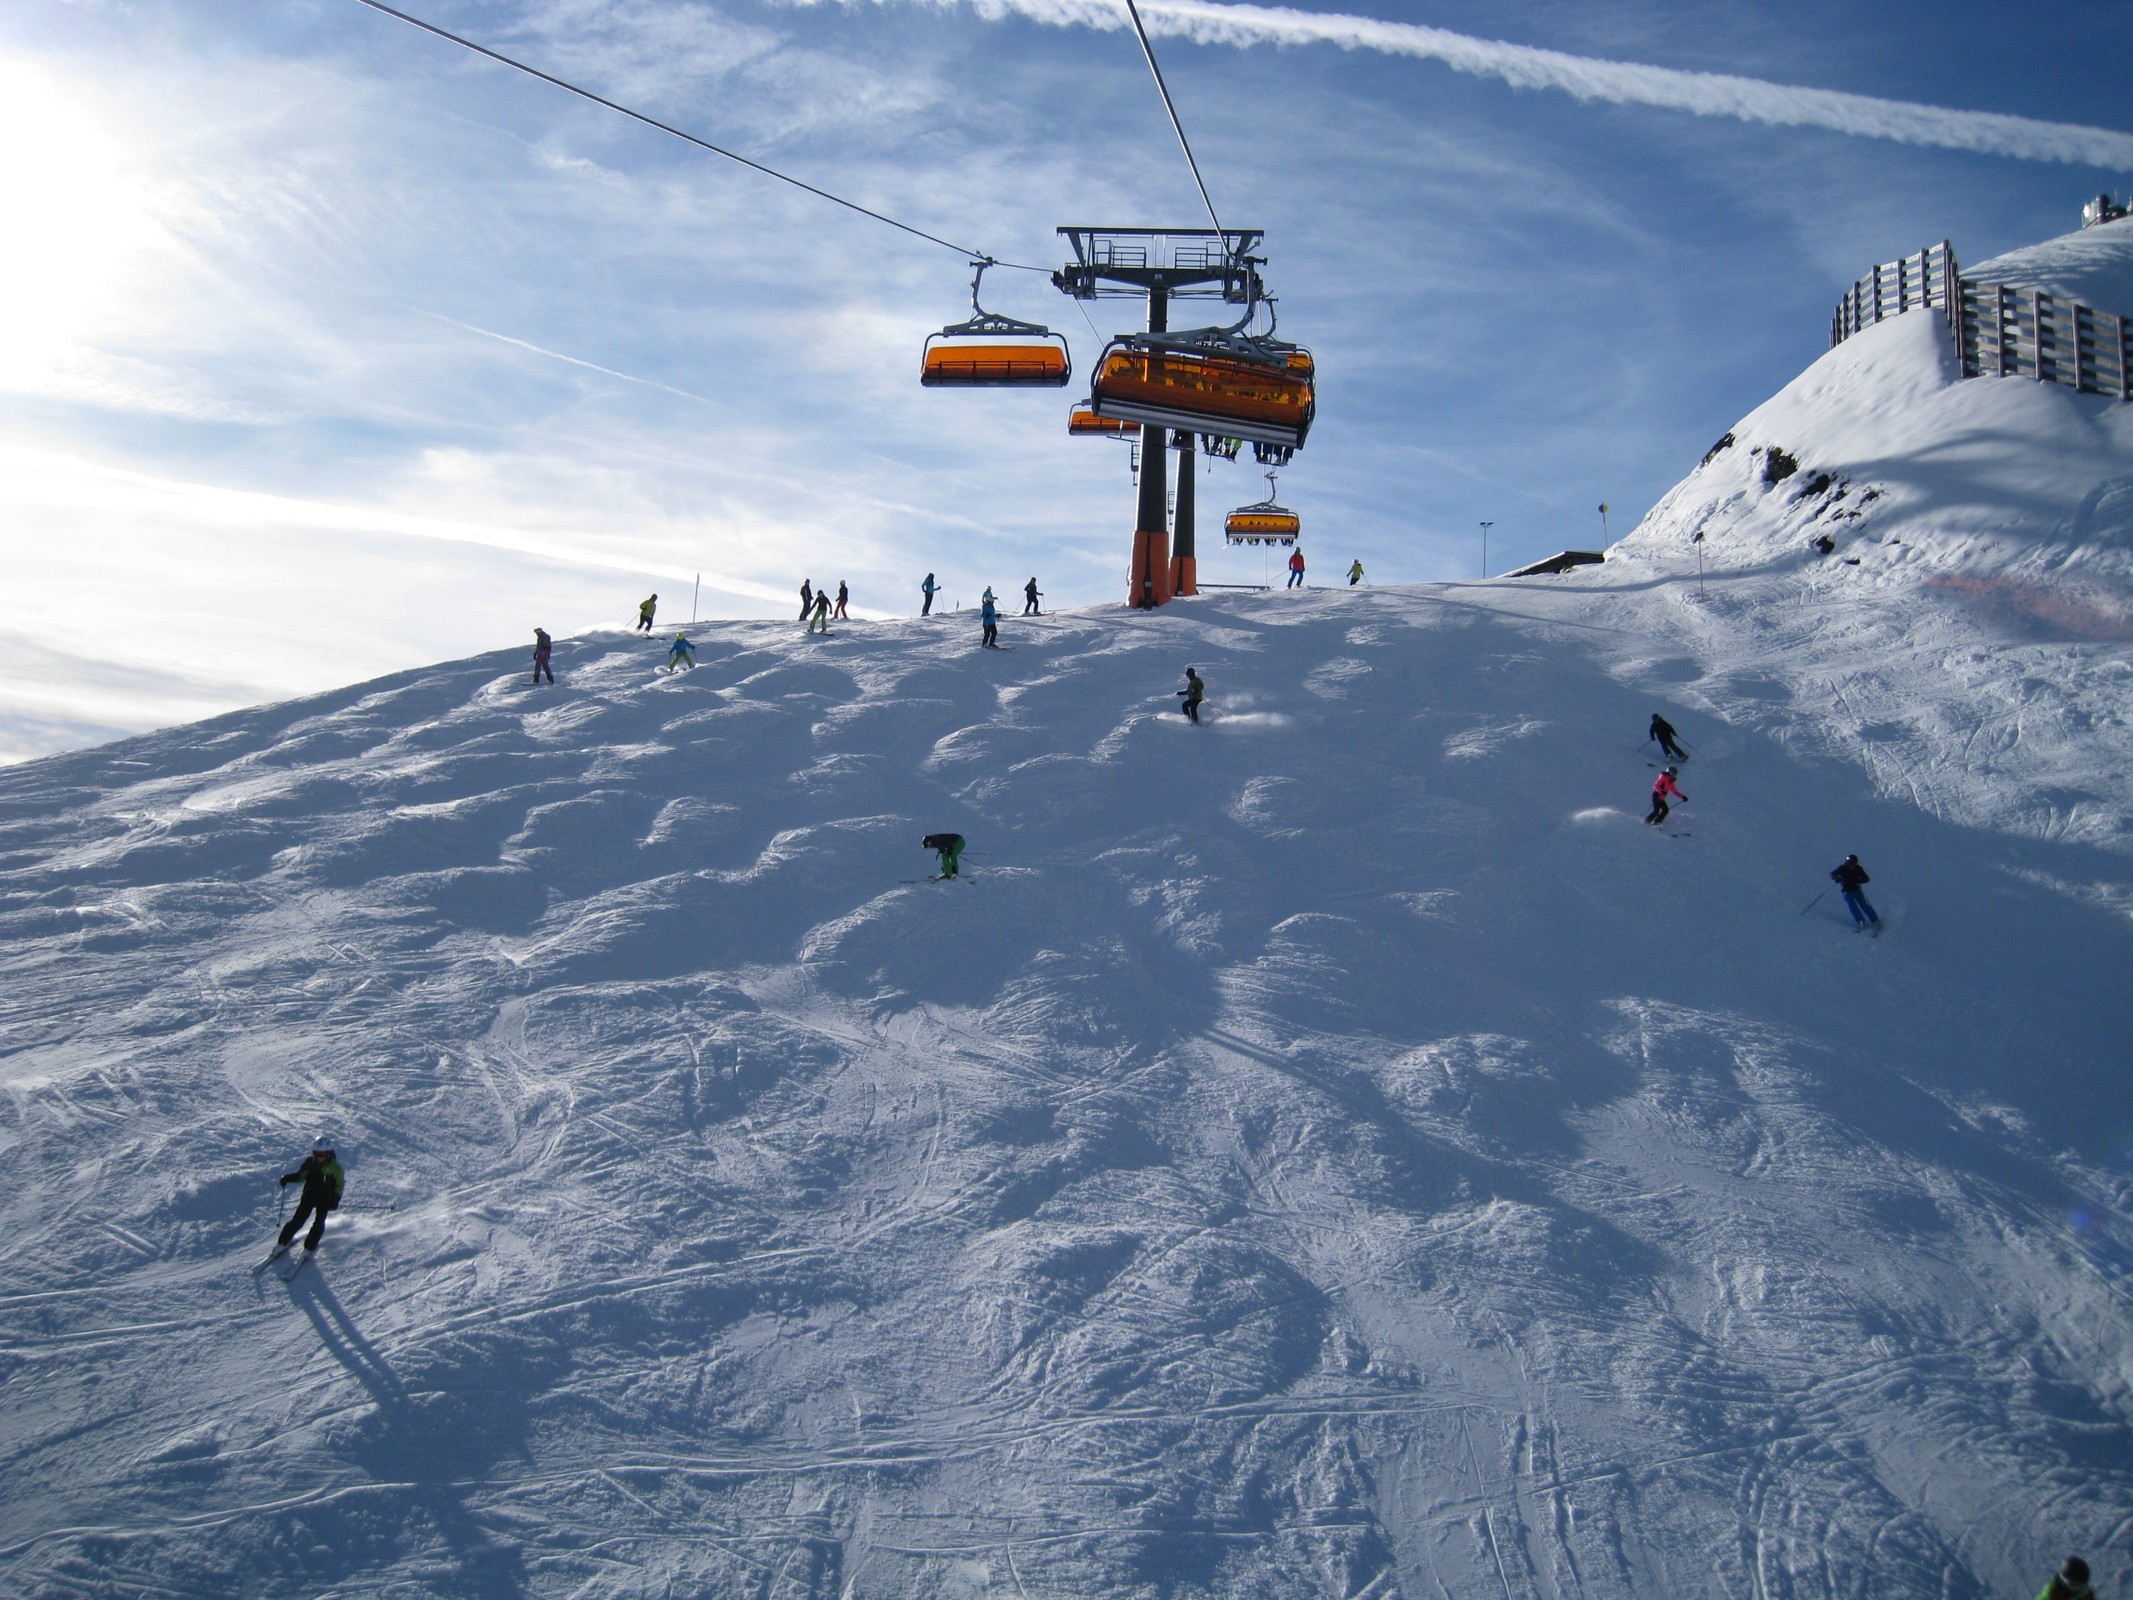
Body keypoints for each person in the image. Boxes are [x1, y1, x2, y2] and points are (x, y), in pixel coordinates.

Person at [276, 1138, 344, 1256]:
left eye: (322, 1155)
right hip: (308, 1196)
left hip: (324, 1199)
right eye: (316, 1154)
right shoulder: (309, 1163)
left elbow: (340, 1185)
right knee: (298, 1220)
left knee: (318, 1223)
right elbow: (300, 1176)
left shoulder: (335, 1168)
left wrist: (335, 1198)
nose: (319, 1157)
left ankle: (309, 1248)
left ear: (328, 1154)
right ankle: (282, 1242)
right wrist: (287, 1178)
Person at [1830, 854, 1880, 931]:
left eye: (1851, 863)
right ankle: (1860, 921)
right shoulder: (1842, 868)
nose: (1849, 864)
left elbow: (1866, 879)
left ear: (1854, 863)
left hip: (1856, 891)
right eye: (1847, 862)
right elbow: (1833, 874)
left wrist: (1857, 880)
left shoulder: (1858, 869)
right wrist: (1836, 878)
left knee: (1864, 905)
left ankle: (1875, 920)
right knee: (1853, 907)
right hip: (1846, 891)